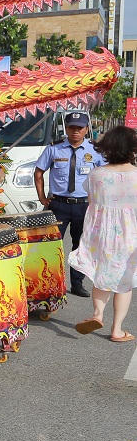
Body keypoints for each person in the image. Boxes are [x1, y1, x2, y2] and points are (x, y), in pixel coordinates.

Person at [69, 126, 137, 342]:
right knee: (124, 282)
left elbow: (92, 202)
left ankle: (97, 314)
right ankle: (117, 330)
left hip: (101, 233)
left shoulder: (97, 174)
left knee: (102, 274)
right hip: (130, 234)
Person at [34, 112, 105, 297]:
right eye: (72, 127)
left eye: (79, 128)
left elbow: (105, 176)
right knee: (52, 245)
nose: (75, 131)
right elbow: (39, 172)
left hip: (84, 205)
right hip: (59, 205)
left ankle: (77, 283)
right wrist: (42, 197)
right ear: (66, 128)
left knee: (80, 245)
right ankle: (51, 283)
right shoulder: (54, 149)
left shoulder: (95, 151)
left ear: (86, 129)